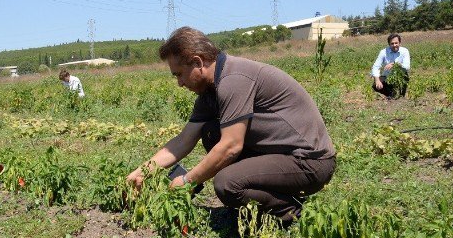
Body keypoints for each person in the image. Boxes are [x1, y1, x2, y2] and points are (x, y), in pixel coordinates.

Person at [126, 27, 335, 221]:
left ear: (198, 62)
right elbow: (184, 140)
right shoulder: (210, 90)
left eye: (179, 74)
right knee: (211, 132)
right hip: (282, 153)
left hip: (310, 161)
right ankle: (260, 196)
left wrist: (187, 181)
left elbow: (230, 147)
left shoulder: (233, 80)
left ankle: (295, 212)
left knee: (227, 183)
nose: (179, 83)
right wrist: (143, 171)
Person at [371, 33, 411, 98]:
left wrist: (395, 64)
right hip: (387, 76)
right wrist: (377, 80)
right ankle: (390, 94)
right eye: (392, 43)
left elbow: (407, 66)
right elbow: (375, 67)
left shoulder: (405, 51)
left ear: (400, 43)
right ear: (389, 44)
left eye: (396, 43)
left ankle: (401, 95)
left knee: (404, 80)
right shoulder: (383, 52)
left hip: (401, 76)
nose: (394, 45)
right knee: (375, 86)